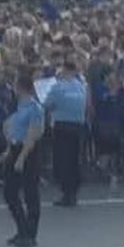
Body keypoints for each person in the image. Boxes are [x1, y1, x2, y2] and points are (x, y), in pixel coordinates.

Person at [1, 72, 45, 247]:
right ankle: (22, 228)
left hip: (28, 151)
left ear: (21, 87)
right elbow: (13, 129)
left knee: (30, 192)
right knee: (9, 192)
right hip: (15, 147)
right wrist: (8, 150)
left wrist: (21, 157)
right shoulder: (19, 105)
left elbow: (32, 135)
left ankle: (30, 233)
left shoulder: (35, 108)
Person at [44, 60, 88, 207]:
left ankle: (67, 193)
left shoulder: (58, 87)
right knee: (74, 159)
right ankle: (73, 192)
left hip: (62, 126)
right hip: (78, 125)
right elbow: (86, 105)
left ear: (64, 71)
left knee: (63, 160)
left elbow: (47, 104)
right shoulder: (81, 87)